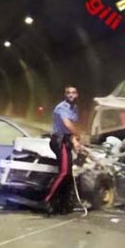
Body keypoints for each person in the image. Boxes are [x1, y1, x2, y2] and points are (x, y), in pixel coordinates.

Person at [45, 85, 81, 213]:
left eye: (73, 93)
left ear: (77, 95)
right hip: (58, 141)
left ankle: (64, 203)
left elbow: (70, 131)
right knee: (64, 172)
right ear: (65, 95)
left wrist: (75, 142)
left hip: (66, 140)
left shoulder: (75, 108)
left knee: (69, 174)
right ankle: (48, 199)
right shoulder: (62, 108)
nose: (71, 95)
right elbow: (67, 125)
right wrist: (78, 135)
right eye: (68, 93)